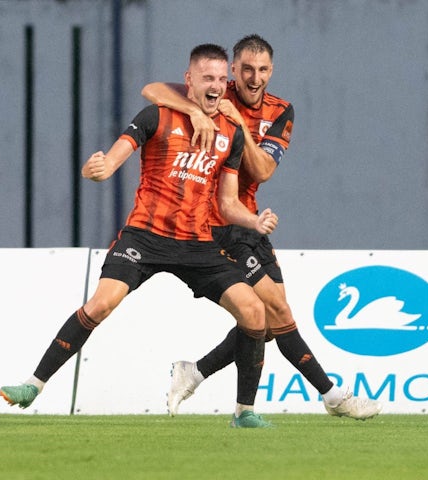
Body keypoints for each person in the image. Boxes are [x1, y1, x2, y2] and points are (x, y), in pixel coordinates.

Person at [0, 43, 280, 428]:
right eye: (207, 78)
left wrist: (253, 221)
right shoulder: (156, 117)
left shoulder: (230, 133)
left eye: (220, 79)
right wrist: (96, 168)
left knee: (255, 313)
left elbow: (228, 204)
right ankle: (33, 384)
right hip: (145, 237)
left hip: (197, 243)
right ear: (189, 81)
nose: (216, 86)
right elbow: (111, 161)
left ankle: (244, 412)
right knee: (100, 304)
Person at [142, 34, 382, 420]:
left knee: (269, 326)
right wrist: (198, 112)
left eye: (263, 70)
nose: (255, 78)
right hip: (216, 224)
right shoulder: (216, 90)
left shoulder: (281, 110)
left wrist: (237, 125)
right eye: (248, 69)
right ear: (234, 70)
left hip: (249, 222)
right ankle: (333, 395)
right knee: (278, 312)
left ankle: (195, 371)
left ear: (272, 71)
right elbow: (151, 89)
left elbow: (264, 170)